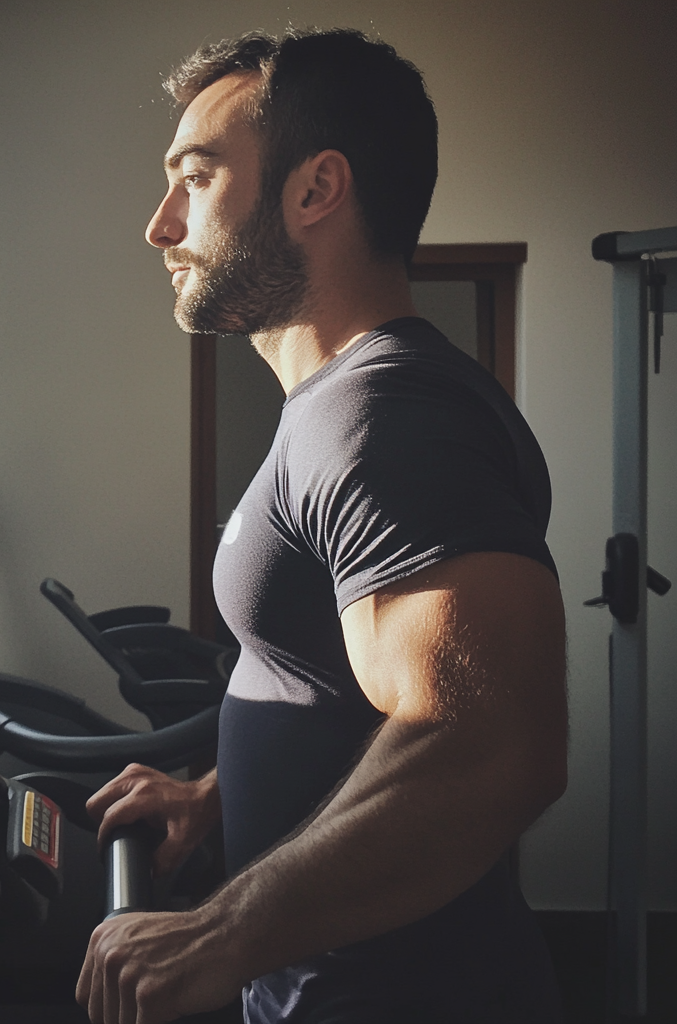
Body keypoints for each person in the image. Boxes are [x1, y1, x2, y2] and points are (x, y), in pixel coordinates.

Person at [76, 28, 567, 1024]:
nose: (159, 225)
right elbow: (344, 687)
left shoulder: (383, 414)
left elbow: (492, 740)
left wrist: (220, 932)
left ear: (315, 190)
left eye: (196, 177)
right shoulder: (333, 407)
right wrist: (217, 793)